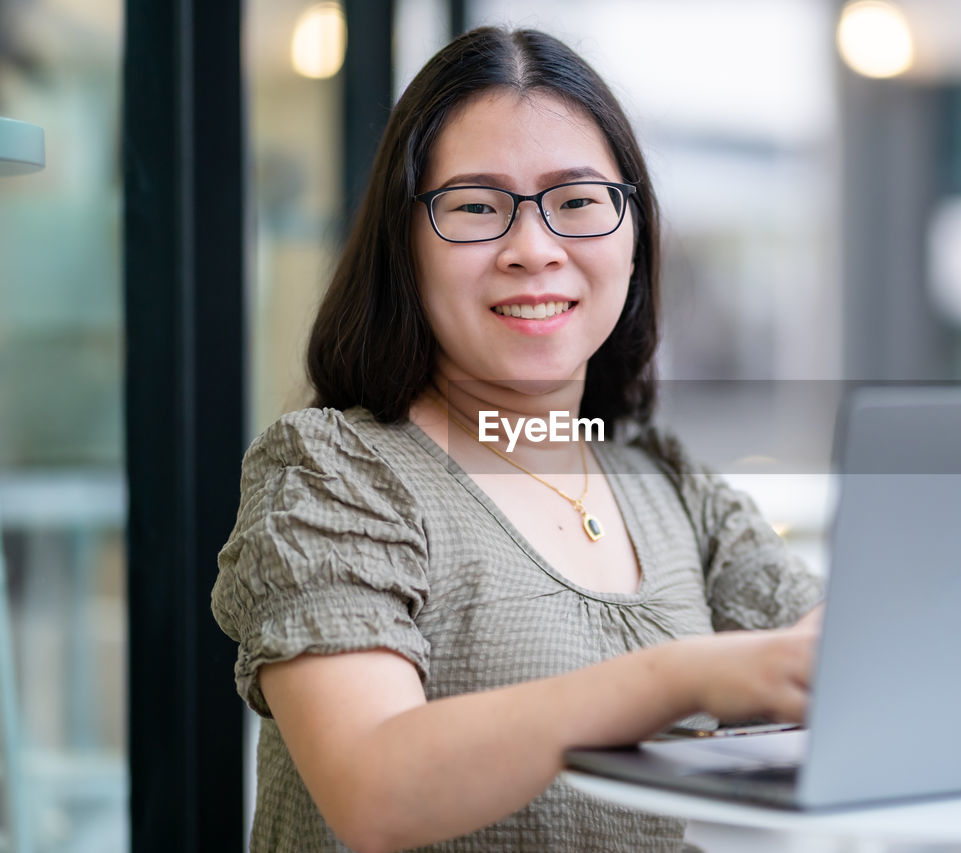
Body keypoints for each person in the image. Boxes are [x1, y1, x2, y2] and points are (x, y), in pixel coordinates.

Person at [212, 26, 824, 853]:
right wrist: (687, 673)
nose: (533, 249)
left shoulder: (669, 484)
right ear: (407, 246)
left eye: (576, 202)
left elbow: (843, 666)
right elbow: (375, 788)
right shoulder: (333, 474)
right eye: (475, 207)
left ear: (632, 233)